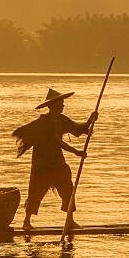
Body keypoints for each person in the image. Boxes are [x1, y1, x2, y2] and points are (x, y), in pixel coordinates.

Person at [13, 87, 98, 230]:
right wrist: (77, 152)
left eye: (63, 103)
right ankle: (26, 222)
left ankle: (69, 220)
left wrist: (91, 119)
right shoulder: (43, 122)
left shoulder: (62, 120)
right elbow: (58, 141)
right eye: (60, 104)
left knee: (68, 189)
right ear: (52, 106)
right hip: (42, 164)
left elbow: (77, 129)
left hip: (57, 162)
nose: (63, 105)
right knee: (35, 192)